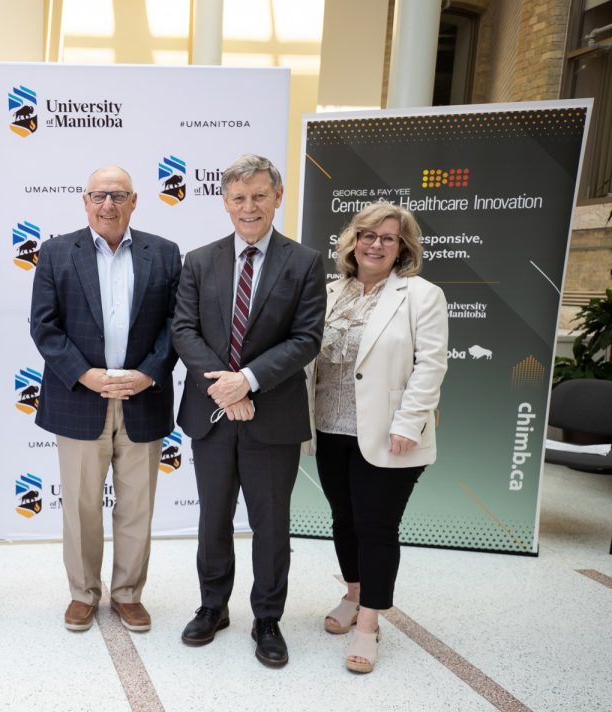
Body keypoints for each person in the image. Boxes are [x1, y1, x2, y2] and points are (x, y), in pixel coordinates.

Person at [171, 154, 326, 667]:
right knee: (213, 519)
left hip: (273, 416)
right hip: (211, 413)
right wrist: (224, 388)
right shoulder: (198, 260)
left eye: (259, 195)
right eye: (238, 198)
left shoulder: (303, 262)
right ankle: (213, 606)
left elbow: (306, 338)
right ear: (225, 202)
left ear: (278, 197)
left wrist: (248, 383)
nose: (249, 206)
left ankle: (267, 618)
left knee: (270, 525)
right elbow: (183, 331)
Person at [29, 166, 182, 634]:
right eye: (99, 196)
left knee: (137, 506)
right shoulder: (56, 252)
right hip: (79, 398)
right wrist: (86, 375)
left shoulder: (164, 252)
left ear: (134, 201)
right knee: (80, 507)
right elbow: (44, 326)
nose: (108, 205)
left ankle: (128, 594)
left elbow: (176, 325)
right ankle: (83, 594)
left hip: (143, 398)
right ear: (85, 201)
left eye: (118, 196)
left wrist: (147, 374)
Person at [308, 201, 447, 673]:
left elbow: (431, 365)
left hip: (391, 435)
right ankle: (353, 594)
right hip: (330, 426)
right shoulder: (329, 292)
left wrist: (408, 423)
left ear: (402, 248)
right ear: (353, 241)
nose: (376, 244)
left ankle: (369, 625)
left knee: (376, 527)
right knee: (344, 519)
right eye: (368, 235)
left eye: (388, 238)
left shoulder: (421, 295)